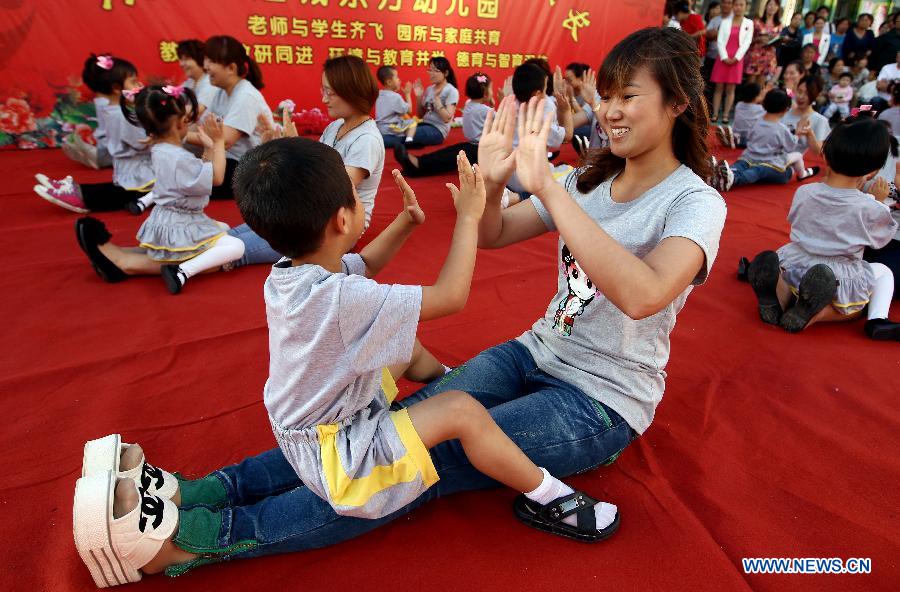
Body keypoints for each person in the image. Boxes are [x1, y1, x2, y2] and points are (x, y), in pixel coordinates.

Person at [68, 26, 726, 582]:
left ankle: (201, 539)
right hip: (534, 352)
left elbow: (643, 297)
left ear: (677, 104)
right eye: (604, 95)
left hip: (601, 396)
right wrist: (494, 184)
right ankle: (207, 490)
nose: (609, 110)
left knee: (417, 462)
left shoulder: (694, 203)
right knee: (390, 426)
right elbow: (494, 232)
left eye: (627, 96)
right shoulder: (586, 179)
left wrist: (550, 194)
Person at [72, 85, 244, 294]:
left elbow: (202, 172)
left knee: (224, 228)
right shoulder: (180, 158)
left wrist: (208, 147)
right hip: (181, 224)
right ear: (182, 123)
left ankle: (122, 256)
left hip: (167, 220)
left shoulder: (161, 150)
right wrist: (218, 142)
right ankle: (181, 270)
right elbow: (216, 178)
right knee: (236, 247)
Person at [747, 114, 900, 340]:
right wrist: (878, 202)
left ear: (825, 153)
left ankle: (781, 295)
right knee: (882, 274)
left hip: (795, 262)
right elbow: (880, 238)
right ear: (874, 171)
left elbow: (795, 221)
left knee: (789, 275)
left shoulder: (804, 192)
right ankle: (857, 318)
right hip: (838, 274)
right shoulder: (868, 207)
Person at [228, 55, 385, 268]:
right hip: (314, 212)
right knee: (238, 232)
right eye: (324, 91)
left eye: (330, 92)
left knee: (237, 247)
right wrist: (287, 146)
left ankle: (189, 262)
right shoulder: (335, 127)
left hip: (337, 226)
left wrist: (292, 146)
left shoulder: (366, 140)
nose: (324, 99)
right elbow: (314, 169)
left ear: (352, 91)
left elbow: (332, 188)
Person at [33, 55, 155, 215]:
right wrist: (159, 135)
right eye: (133, 81)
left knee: (125, 190)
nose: (139, 85)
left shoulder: (112, 109)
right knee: (127, 193)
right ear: (117, 88)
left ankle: (73, 190)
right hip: (139, 169)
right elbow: (140, 142)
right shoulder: (121, 115)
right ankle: (81, 196)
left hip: (128, 166)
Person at [197, 35, 271, 200]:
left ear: (231, 68)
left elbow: (225, 140)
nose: (205, 67)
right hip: (226, 162)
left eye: (211, 61)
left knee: (191, 182)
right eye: (205, 60)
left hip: (248, 168)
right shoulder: (221, 92)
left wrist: (177, 135)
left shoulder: (246, 95)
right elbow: (203, 128)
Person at [710, 89, 819, 191]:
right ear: (785, 110)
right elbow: (790, 146)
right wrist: (798, 133)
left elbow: (749, 138)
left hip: (750, 157)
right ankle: (733, 178)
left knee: (742, 164)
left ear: (764, 104)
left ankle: (727, 173)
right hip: (771, 165)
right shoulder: (781, 129)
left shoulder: (757, 122)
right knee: (760, 170)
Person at [393, 72, 494, 179]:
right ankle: (419, 162)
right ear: (485, 94)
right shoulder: (483, 109)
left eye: (435, 70)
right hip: (478, 147)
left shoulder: (471, 104)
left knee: (456, 155)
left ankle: (419, 165)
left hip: (484, 151)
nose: (431, 73)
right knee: (455, 149)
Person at [59, 53, 115, 170]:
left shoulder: (102, 101)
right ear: (115, 85)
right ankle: (97, 157)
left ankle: (93, 155)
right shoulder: (109, 104)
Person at [711, 0, 754, 124]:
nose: (738, 7)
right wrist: (724, 57)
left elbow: (747, 42)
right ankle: (715, 113)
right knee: (719, 87)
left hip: (737, 58)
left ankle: (725, 115)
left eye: (741, 5)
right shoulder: (724, 22)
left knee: (731, 88)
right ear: (732, 6)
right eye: (736, 5)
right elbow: (719, 40)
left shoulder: (749, 23)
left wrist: (736, 58)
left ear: (745, 7)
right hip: (723, 56)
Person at [409, 56, 459, 146]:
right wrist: (419, 97)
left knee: (407, 133)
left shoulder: (451, 91)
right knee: (402, 129)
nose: (431, 73)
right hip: (425, 125)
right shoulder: (429, 89)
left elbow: (447, 118)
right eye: (430, 70)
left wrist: (437, 101)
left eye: (436, 71)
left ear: (446, 73)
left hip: (438, 130)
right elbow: (420, 115)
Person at [782, 75, 831, 157]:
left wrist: (809, 134)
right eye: (800, 91)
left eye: (807, 94)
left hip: (793, 164)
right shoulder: (783, 112)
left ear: (817, 95)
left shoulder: (820, 120)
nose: (801, 97)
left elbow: (819, 152)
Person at [375, 65, 417, 148]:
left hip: (379, 127)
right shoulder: (395, 96)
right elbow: (409, 110)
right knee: (412, 122)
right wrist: (407, 94)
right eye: (397, 77)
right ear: (389, 82)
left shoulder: (379, 94)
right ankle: (409, 140)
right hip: (390, 128)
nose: (399, 80)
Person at [716, 82, 766, 149]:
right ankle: (733, 139)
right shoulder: (760, 109)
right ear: (756, 97)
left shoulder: (739, 105)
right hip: (750, 139)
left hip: (737, 134)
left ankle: (731, 138)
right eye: (760, 95)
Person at [744, 0, 781, 87]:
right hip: (755, 56)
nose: (772, 7)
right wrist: (759, 39)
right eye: (770, 4)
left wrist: (779, 40)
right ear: (766, 6)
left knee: (760, 86)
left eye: (775, 5)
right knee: (750, 86)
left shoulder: (779, 25)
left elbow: (778, 42)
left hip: (769, 57)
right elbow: (747, 39)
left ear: (778, 8)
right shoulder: (757, 22)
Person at [176, 40, 217, 109]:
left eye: (186, 59)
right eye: (181, 59)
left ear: (199, 58)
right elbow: (173, 98)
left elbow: (196, 111)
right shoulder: (189, 82)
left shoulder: (210, 83)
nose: (181, 64)